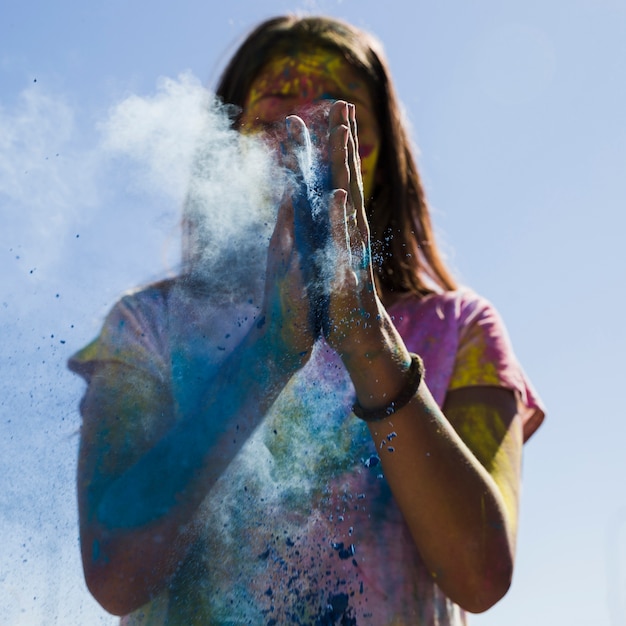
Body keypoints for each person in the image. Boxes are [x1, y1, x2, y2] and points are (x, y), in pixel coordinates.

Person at [69, 14, 545, 625]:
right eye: (273, 121)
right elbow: (116, 573)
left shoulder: (460, 327)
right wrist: (271, 352)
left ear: (377, 156)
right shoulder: (148, 326)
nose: (302, 141)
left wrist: (369, 343)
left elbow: (479, 577)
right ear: (228, 138)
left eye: (336, 123)